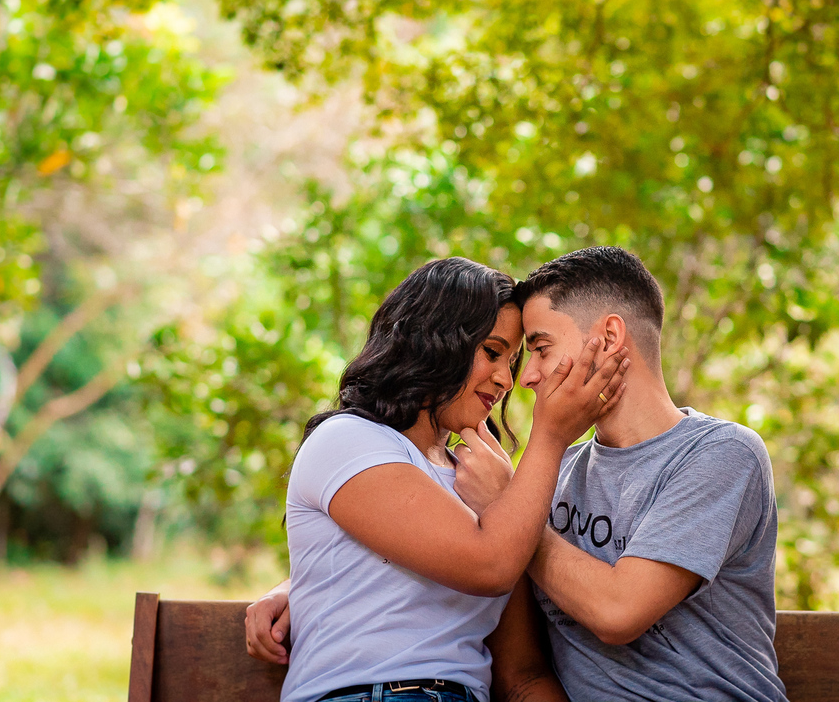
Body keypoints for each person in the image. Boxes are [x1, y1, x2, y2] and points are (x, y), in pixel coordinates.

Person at [250, 248, 787, 702]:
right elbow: (458, 555)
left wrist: (508, 501)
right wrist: (298, 587)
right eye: (497, 354)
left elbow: (610, 613)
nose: (519, 379)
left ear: (609, 337)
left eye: (537, 350)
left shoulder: (718, 454)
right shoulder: (539, 484)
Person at [268, 256, 629, 702]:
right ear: (433, 341)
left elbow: (522, 675)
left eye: (513, 361)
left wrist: (505, 495)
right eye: (492, 352)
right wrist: (551, 436)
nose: (506, 380)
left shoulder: (483, 485)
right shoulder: (348, 440)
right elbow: (489, 566)